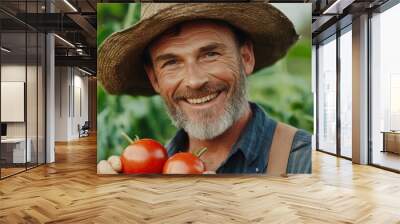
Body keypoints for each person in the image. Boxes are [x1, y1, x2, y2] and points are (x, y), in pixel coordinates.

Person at [98, 3, 311, 175]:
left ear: (246, 58)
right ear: (154, 78)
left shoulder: (302, 160)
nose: (194, 80)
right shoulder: (149, 168)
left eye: (210, 54)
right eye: (171, 62)